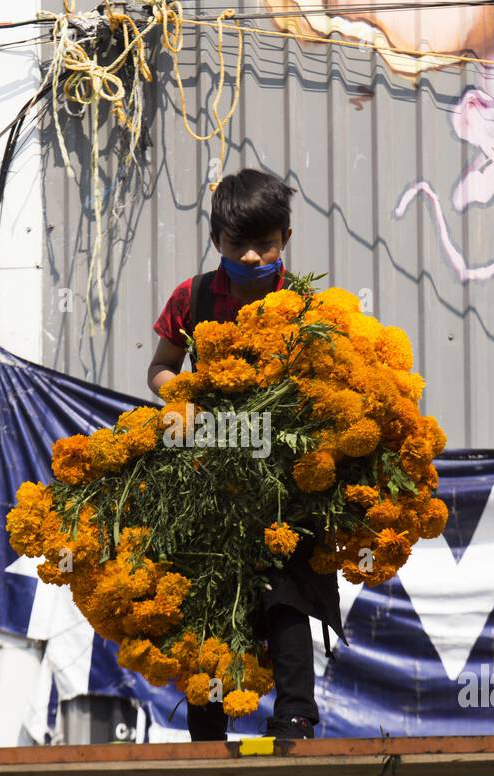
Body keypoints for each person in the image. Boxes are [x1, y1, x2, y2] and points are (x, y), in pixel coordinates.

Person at [147, 169, 343, 742]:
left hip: (282, 474)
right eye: (240, 246)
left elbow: (330, 382)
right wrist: (178, 399)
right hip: (208, 470)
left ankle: (296, 716)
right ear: (217, 243)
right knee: (207, 595)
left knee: (284, 591)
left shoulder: (305, 304)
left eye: (267, 245)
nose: (254, 257)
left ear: (287, 238)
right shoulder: (192, 297)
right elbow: (160, 368)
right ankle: (207, 724)